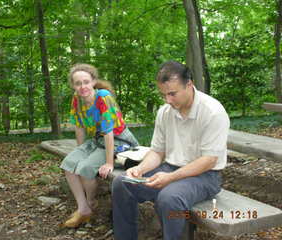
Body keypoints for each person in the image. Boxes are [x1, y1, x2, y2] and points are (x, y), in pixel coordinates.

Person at [112, 60, 230, 240]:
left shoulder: (213, 112)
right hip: (169, 169)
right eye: (163, 95)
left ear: (189, 85)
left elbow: (209, 160)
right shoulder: (165, 112)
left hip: (206, 177)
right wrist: (141, 169)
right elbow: (158, 152)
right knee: (122, 183)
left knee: (169, 198)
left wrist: (170, 178)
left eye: (172, 94)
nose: (168, 100)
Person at [60, 63, 139, 228]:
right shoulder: (77, 99)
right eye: (78, 83)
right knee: (68, 164)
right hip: (97, 140)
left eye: (86, 82)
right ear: (73, 85)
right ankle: (83, 208)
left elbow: (109, 132)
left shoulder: (103, 97)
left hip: (118, 141)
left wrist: (109, 163)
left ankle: (89, 203)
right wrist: (81, 150)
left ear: (94, 81)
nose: (82, 87)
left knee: (85, 169)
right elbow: (79, 126)